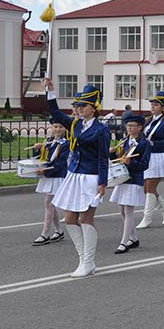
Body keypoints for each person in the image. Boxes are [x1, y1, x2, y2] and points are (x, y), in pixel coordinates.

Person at [43, 78, 111, 277]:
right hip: (73, 176)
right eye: (77, 105)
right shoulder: (75, 124)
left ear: (93, 107)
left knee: (86, 218)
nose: (78, 108)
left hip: (91, 177)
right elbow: (55, 113)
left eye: (83, 105)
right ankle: (83, 258)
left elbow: (103, 157)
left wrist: (102, 182)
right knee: (70, 218)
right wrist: (51, 91)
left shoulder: (101, 130)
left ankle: (88, 261)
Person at [108, 114, 151, 253]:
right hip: (122, 178)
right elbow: (119, 159)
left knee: (128, 210)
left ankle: (124, 242)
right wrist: (112, 154)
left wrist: (131, 162)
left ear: (140, 127)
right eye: (128, 126)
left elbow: (144, 164)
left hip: (134, 179)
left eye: (133, 126)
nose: (130, 128)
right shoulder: (125, 141)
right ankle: (133, 238)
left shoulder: (144, 143)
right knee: (122, 210)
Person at [137, 91, 164, 229]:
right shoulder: (148, 120)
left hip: (160, 156)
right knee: (146, 188)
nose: (152, 106)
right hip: (148, 156)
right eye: (152, 104)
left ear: (163, 107)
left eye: (156, 104)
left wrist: (153, 144)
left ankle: (147, 218)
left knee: (150, 188)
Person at [31, 119, 69, 245]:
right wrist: (37, 149)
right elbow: (40, 158)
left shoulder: (66, 144)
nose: (57, 129)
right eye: (55, 126)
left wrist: (45, 172)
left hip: (58, 175)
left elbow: (60, 163)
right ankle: (58, 230)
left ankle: (45, 233)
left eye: (60, 127)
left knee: (49, 203)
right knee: (49, 204)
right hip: (49, 175)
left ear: (65, 129)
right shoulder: (48, 142)